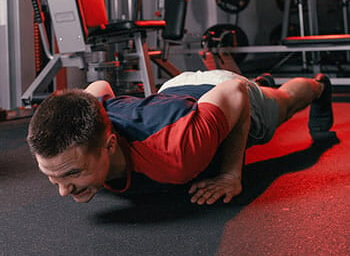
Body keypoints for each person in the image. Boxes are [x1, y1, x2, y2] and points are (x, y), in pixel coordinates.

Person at [27, 70, 334, 205]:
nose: (64, 191)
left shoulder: (175, 154)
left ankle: (319, 86)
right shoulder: (91, 121)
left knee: (282, 101)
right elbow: (99, 87)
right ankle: (260, 83)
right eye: (52, 177)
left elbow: (233, 94)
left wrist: (230, 173)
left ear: (109, 144)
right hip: (173, 90)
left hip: (223, 89)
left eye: (72, 175)